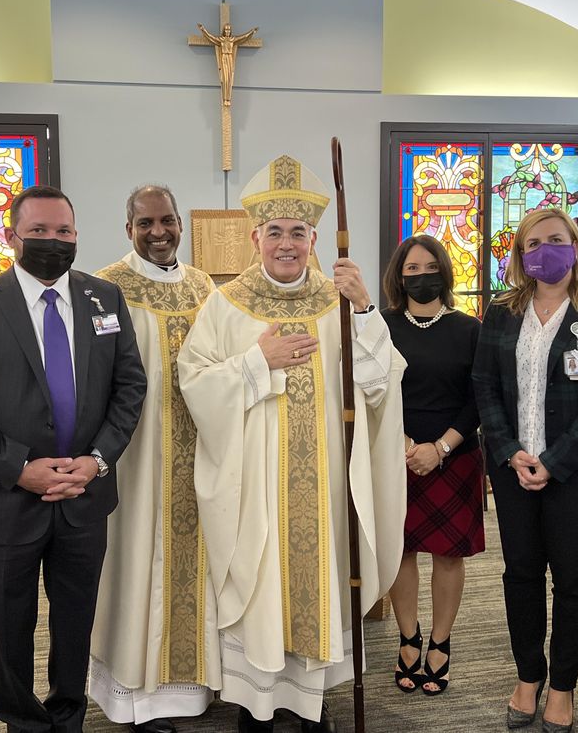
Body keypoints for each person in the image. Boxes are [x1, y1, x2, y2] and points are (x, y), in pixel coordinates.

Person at [178, 155, 407, 733]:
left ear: (314, 239)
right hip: (252, 485)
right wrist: (259, 361)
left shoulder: (337, 300)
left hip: (323, 484)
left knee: (319, 586)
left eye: (298, 233)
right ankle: (258, 707)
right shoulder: (225, 303)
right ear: (255, 237)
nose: (286, 243)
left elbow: (378, 382)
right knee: (260, 588)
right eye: (275, 232)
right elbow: (195, 383)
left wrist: (364, 307)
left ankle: (311, 704)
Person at [0, 185, 146, 733]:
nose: (54, 242)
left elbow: (129, 389)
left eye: (65, 232)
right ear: (12, 238)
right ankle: (22, 724)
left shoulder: (105, 299)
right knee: (8, 628)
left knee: (76, 625)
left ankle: (68, 718)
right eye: (40, 232)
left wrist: (97, 460)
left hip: (84, 495)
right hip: (5, 500)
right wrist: (18, 466)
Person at [471, 207, 578, 733]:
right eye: (533, 243)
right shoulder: (502, 311)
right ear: (520, 254)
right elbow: (485, 387)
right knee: (520, 574)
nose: (545, 250)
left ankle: (562, 686)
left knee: (574, 578)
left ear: (575, 245)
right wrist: (511, 450)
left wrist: (555, 462)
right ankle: (527, 676)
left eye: (556, 240)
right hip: (513, 469)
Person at [90, 185, 219, 733]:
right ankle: (135, 696)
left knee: (200, 562)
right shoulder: (105, 287)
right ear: (128, 229)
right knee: (134, 558)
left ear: (180, 225)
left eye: (167, 221)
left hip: (201, 448)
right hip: (136, 453)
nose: (158, 232)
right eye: (145, 223)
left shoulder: (204, 284)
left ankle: (193, 690)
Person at [380, 235, 482, 697]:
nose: (421, 277)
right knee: (400, 551)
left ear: (444, 270)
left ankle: (440, 641)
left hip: (454, 456)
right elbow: (373, 390)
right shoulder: (380, 327)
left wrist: (439, 448)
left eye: (428, 267)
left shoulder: (469, 329)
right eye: (411, 270)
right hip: (395, 454)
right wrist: (403, 442)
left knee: (447, 553)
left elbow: (480, 399)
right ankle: (408, 636)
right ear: (399, 278)